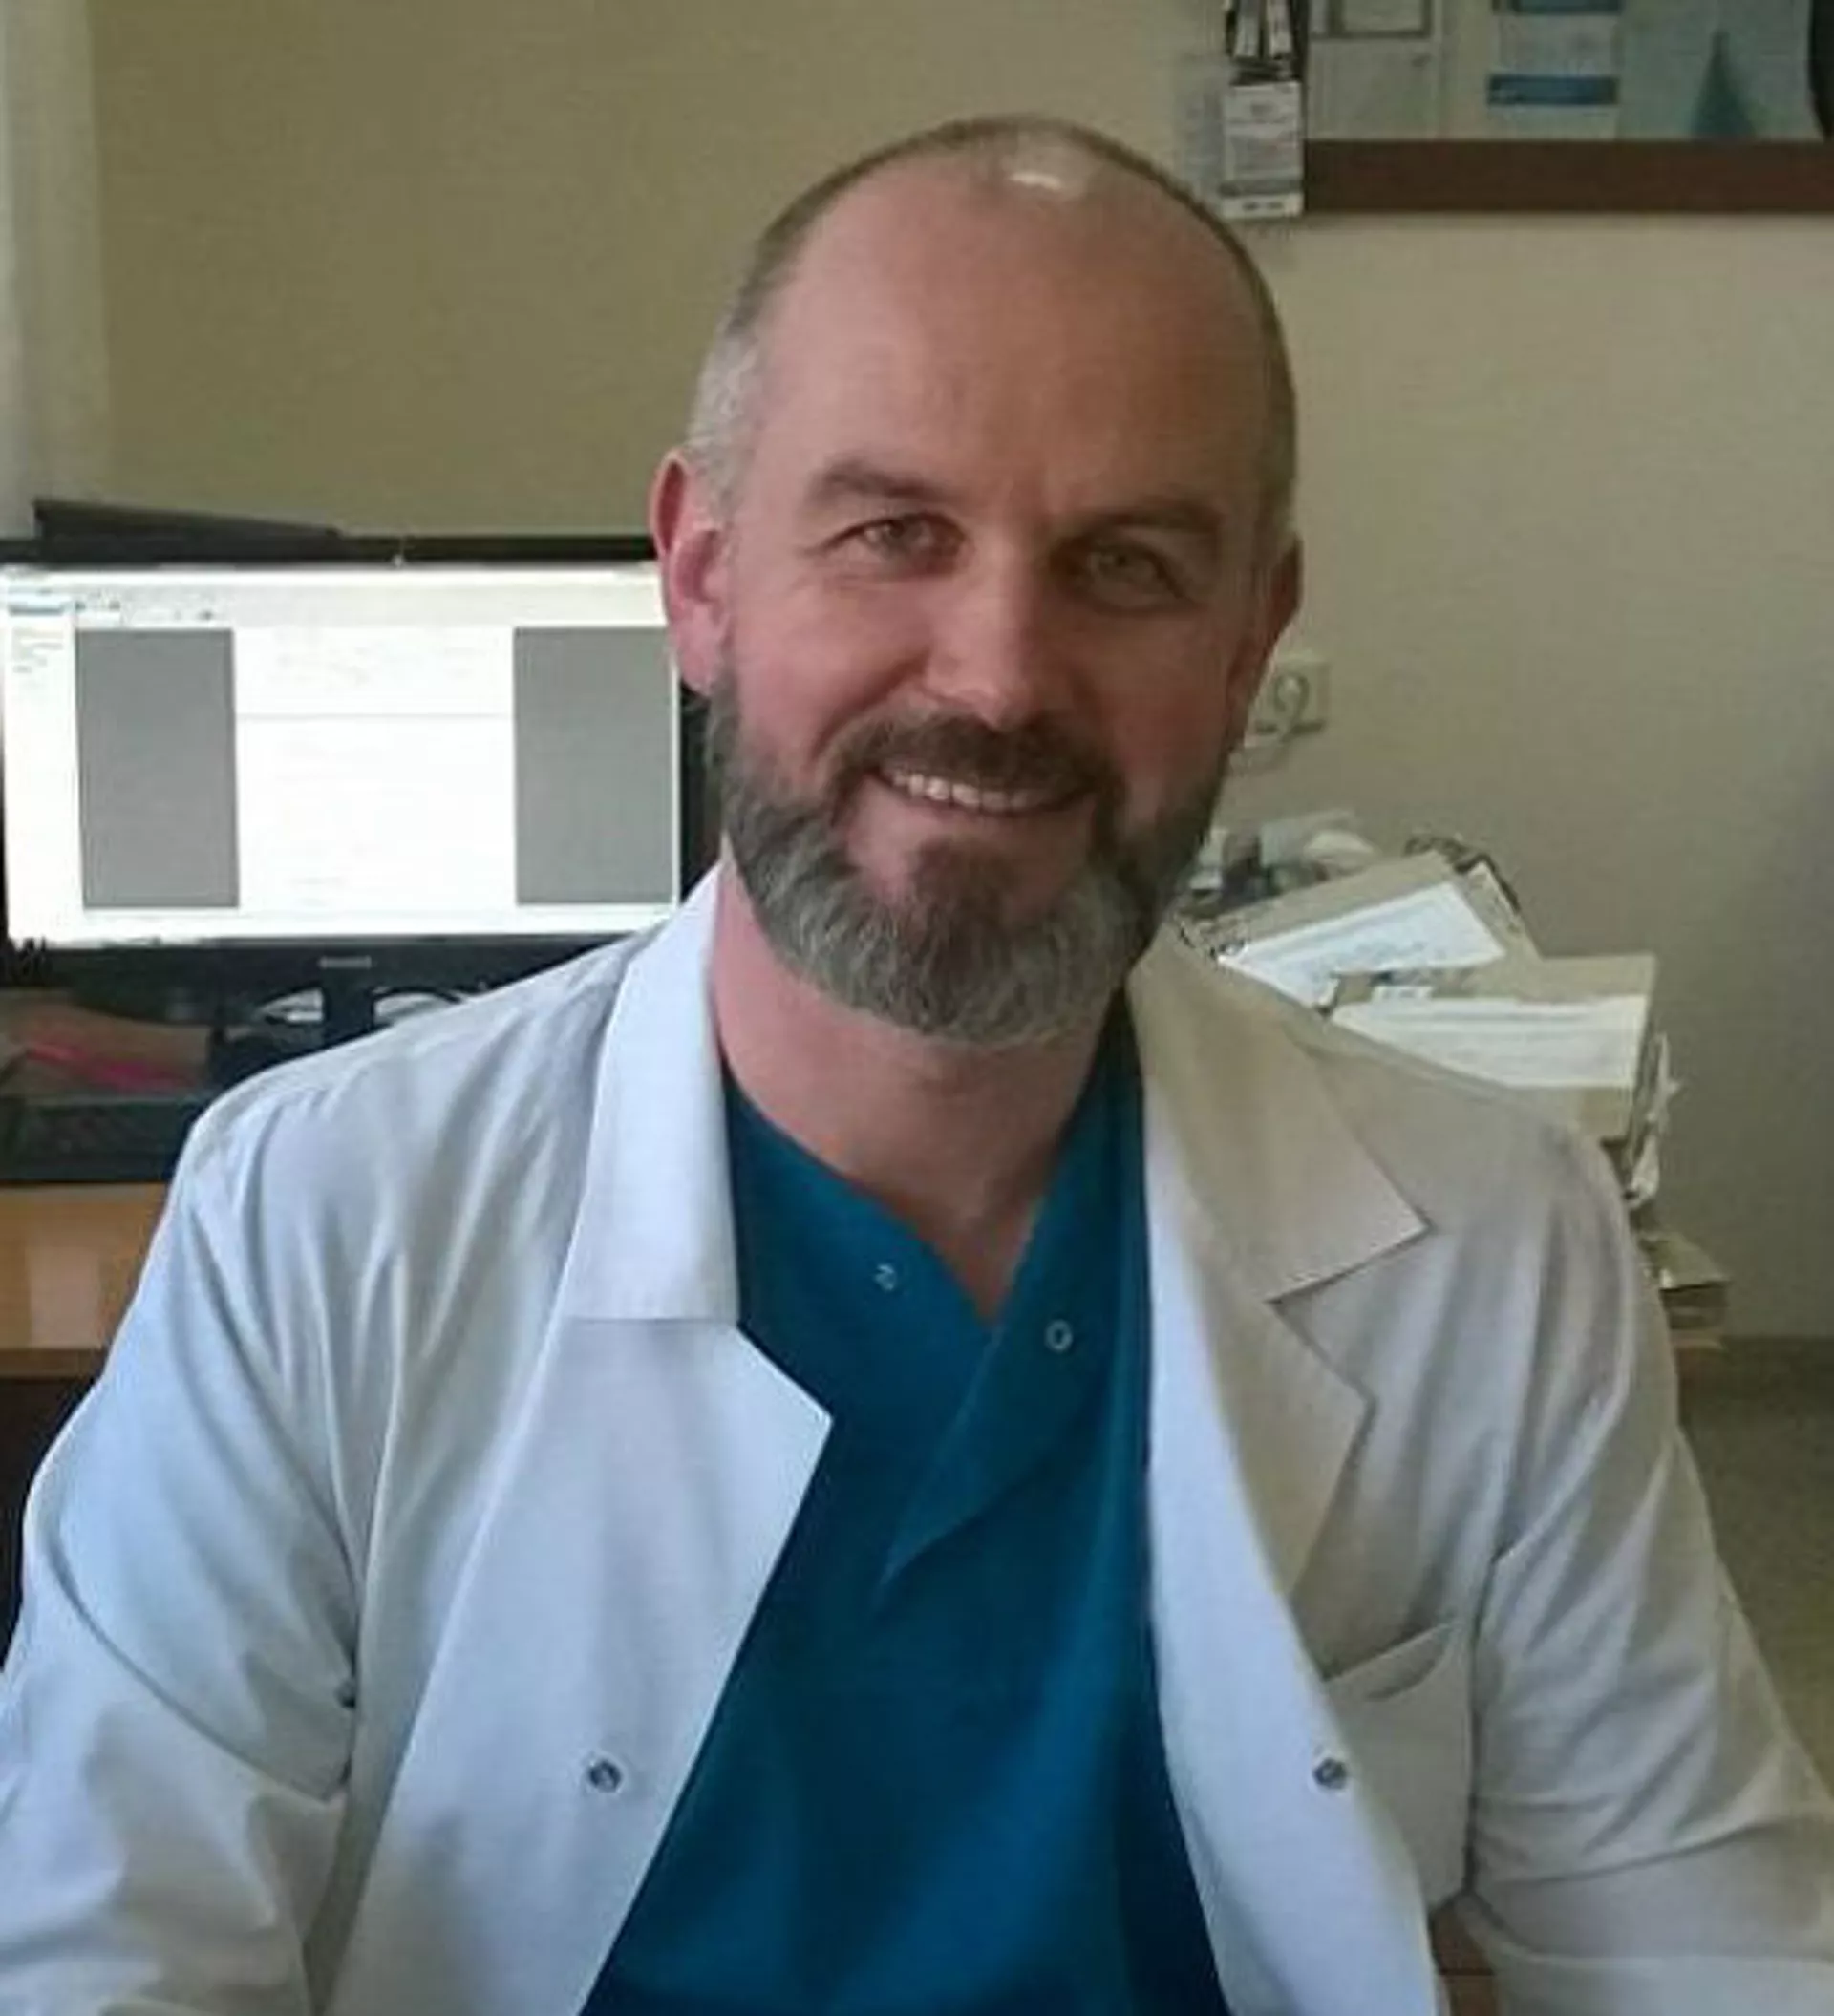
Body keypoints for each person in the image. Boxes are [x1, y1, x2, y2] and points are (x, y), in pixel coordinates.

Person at [1, 115, 1830, 2016]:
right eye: (895, 535)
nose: (998, 674)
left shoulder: (1494, 1243)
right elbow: (110, 1957)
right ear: (701, 576)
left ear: (1247, 640)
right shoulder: (315, 1219)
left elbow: (1707, 1944)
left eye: (1127, 563)